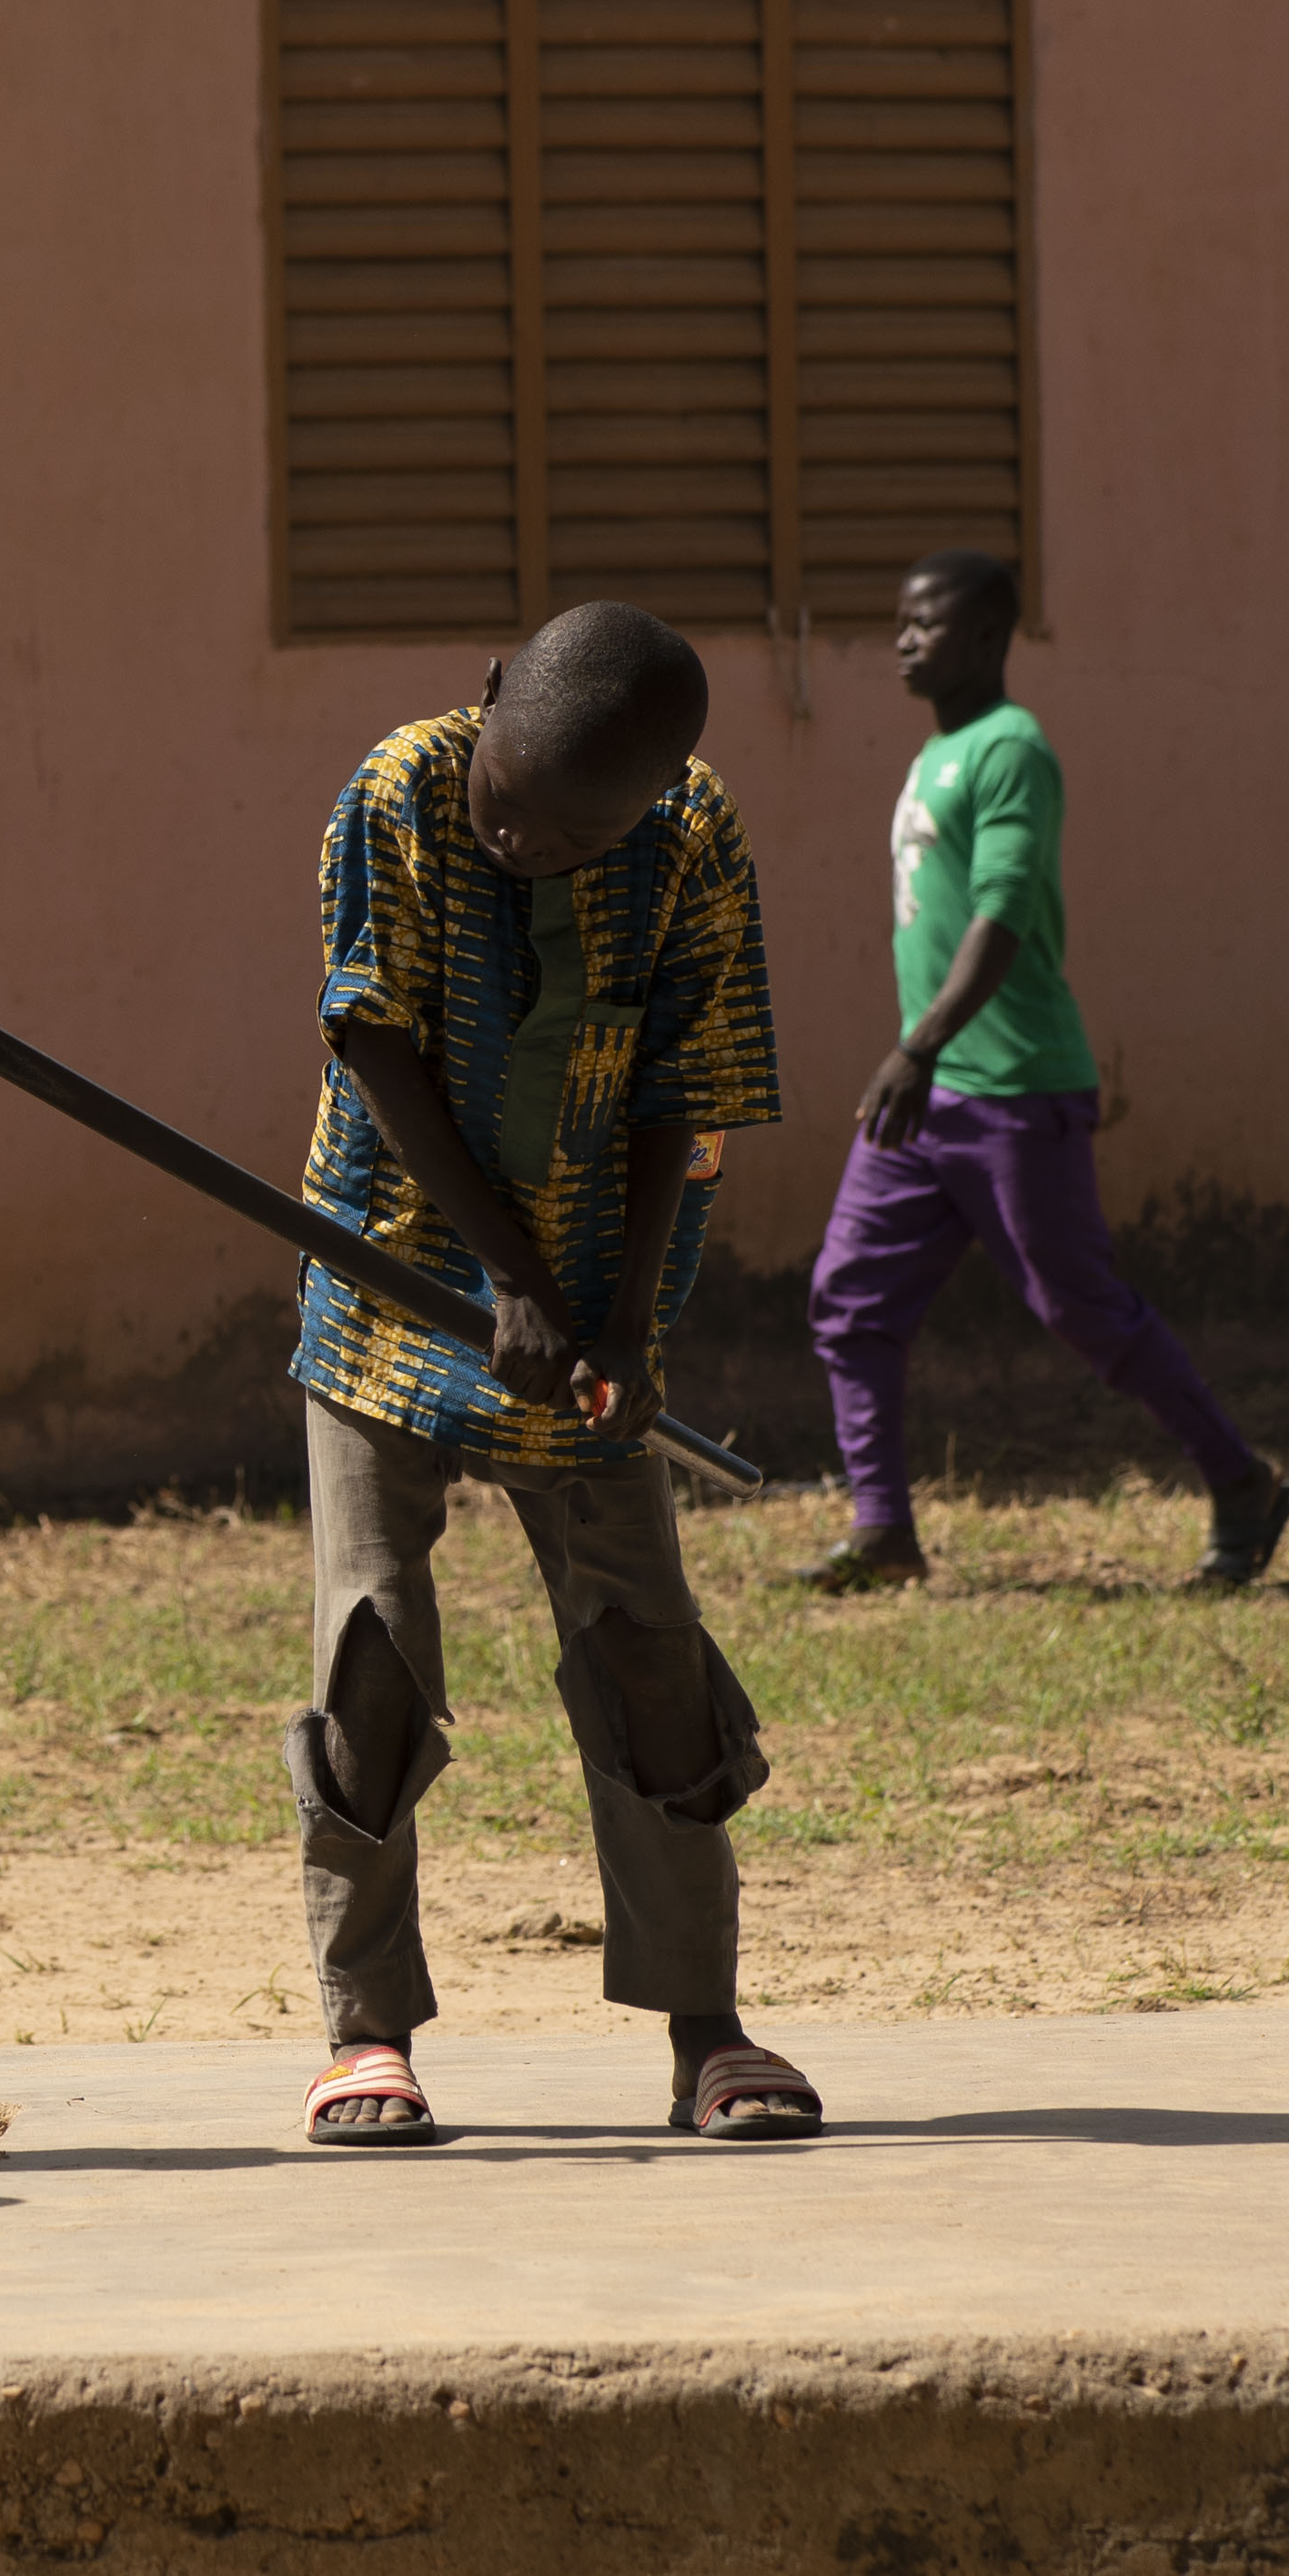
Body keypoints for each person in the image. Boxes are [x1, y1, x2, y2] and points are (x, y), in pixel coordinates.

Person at [287, 598, 814, 2154]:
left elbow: (686, 1087)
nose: (526, 842)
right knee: (371, 1657)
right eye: (511, 804)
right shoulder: (397, 794)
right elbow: (374, 1045)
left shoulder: (692, 838)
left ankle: (706, 2030)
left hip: (586, 1299)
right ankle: (366, 2032)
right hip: (390, 1272)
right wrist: (493, 1277)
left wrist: (624, 1321)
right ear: (490, 695)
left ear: (649, 800)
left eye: (578, 833)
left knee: (651, 1662)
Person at [802, 553, 1289, 1597]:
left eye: (925, 624)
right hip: (928, 1095)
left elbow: (1002, 914)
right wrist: (921, 1060)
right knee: (849, 1298)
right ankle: (882, 1531)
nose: (901, 640)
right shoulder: (935, 753)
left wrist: (918, 1045)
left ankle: (1240, 1481)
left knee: (1079, 1309)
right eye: (898, 622)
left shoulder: (1010, 750)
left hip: (1012, 1089)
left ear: (986, 637)